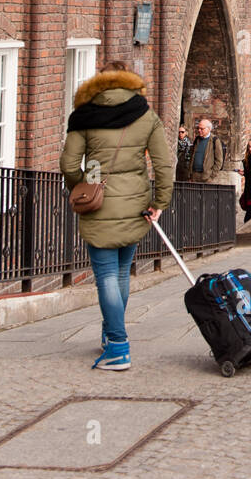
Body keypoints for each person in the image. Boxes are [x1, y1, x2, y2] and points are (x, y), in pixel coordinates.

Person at [60, 60, 173, 371]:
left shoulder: (84, 116)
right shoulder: (146, 114)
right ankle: (112, 336)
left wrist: (84, 186)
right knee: (122, 274)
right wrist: (160, 201)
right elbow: (164, 165)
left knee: (107, 277)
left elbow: (69, 165)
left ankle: (117, 346)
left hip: (99, 207)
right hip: (136, 205)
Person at [187, 117, 226, 183]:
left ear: (209, 129)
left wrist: (211, 176)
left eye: (202, 129)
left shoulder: (215, 140)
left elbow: (219, 161)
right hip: (194, 176)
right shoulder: (197, 139)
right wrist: (190, 174)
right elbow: (192, 156)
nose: (199, 130)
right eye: (198, 128)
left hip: (206, 177)